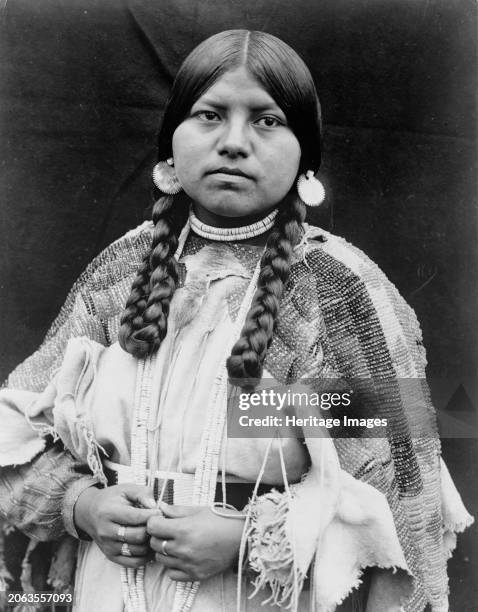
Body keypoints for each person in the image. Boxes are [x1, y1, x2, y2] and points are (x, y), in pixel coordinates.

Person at [0, 29, 472, 612]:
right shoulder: (122, 272)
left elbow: (406, 495)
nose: (233, 142)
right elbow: (14, 430)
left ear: (307, 157)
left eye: (267, 120)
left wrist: (249, 540)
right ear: (171, 149)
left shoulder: (340, 292)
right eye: (209, 115)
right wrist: (83, 507)